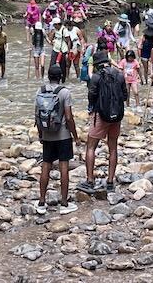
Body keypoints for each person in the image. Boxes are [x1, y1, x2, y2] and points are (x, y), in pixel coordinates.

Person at [79, 52, 127, 193]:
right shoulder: (119, 75)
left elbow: (92, 95)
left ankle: (90, 180)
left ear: (96, 64)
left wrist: (93, 109)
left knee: (91, 147)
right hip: (116, 116)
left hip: (100, 115)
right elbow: (124, 95)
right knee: (113, 148)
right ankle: (110, 181)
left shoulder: (96, 77)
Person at [34, 63, 79, 215]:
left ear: (48, 75)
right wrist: (75, 136)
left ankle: (41, 202)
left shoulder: (39, 91)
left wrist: (41, 134)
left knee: (45, 166)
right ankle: (64, 203)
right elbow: (69, 117)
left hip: (47, 135)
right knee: (63, 167)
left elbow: (36, 115)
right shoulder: (65, 92)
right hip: (63, 135)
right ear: (61, 76)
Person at [139, 10, 153, 85]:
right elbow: (139, 47)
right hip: (144, 55)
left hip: (151, 55)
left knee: (152, 68)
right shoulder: (143, 37)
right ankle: (146, 81)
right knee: (146, 69)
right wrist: (139, 57)